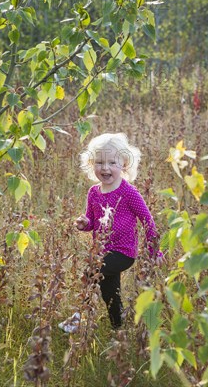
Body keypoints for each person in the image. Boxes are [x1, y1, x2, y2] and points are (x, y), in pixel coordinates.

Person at [60, 133, 163, 332]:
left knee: (92, 271)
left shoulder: (129, 193)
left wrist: (155, 251)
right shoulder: (94, 193)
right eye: (99, 162)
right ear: (91, 164)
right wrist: (85, 223)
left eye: (112, 162)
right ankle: (118, 329)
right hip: (102, 251)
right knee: (110, 293)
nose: (105, 168)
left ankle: (78, 317)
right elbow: (92, 220)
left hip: (123, 252)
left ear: (123, 164)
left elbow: (147, 221)